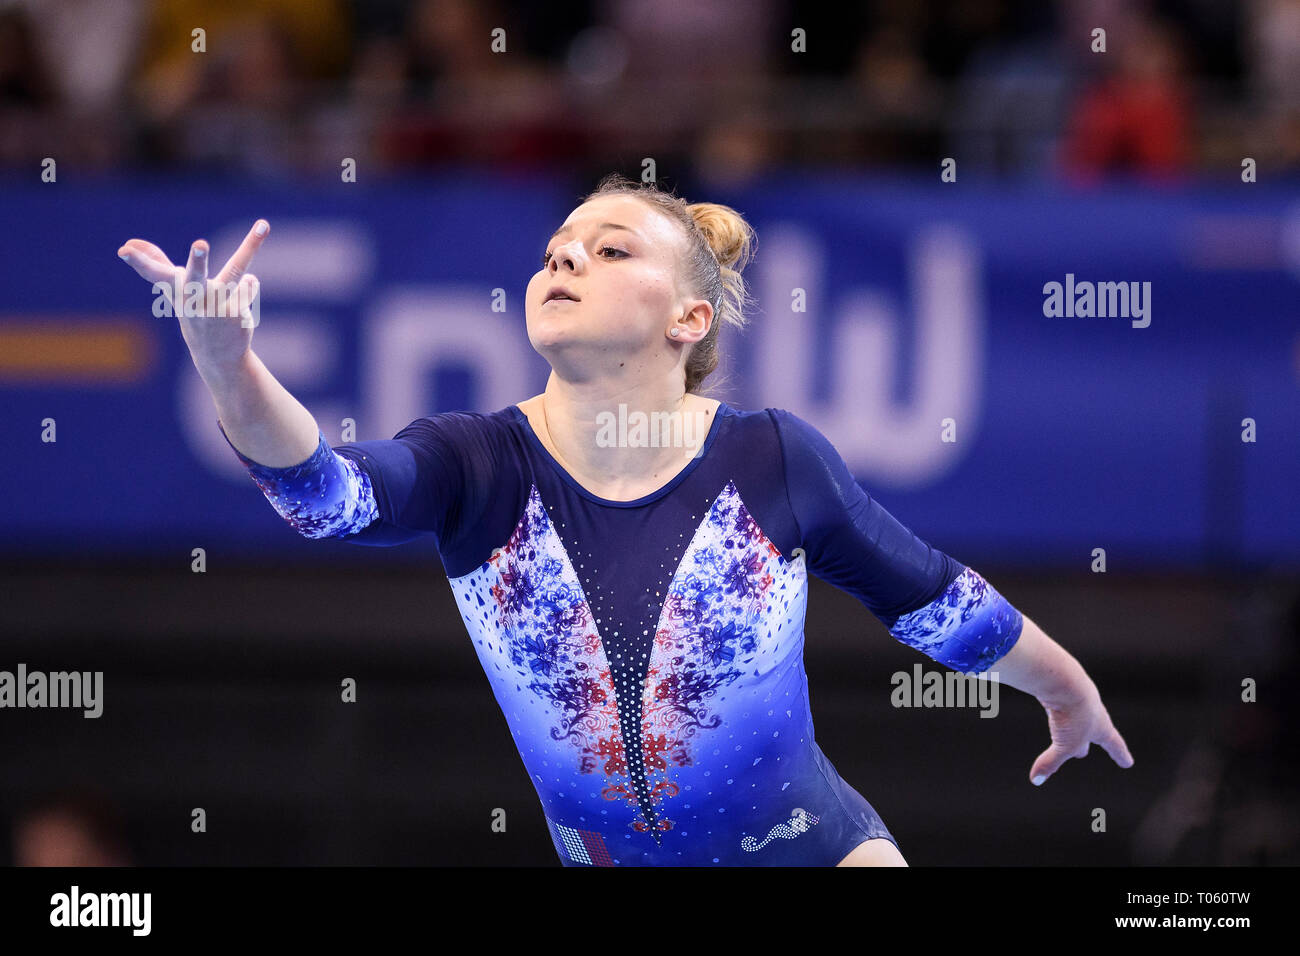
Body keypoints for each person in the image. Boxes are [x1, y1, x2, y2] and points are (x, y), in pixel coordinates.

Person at [116, 173, 1134, 866]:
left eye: (608, 250)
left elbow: (938, 603)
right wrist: (227, 362)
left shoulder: (769, 458)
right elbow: (325, 496)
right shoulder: (480, 463)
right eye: (555, 249)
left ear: (688, 317)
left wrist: (1069, 685)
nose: (563, 262)